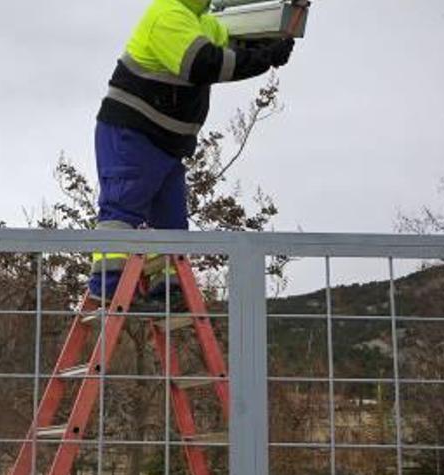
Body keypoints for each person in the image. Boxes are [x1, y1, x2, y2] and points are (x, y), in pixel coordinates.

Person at [89, 0, 296, 306]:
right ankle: (109, 285)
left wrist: (267, 44)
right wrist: (265, 58)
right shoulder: (167, 15)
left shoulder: (202, 22)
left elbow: (231, 46)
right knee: (122, 210)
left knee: (172, 222)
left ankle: (168, 290)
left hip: (166, 142)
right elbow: (204, 63)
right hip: (132, 131)